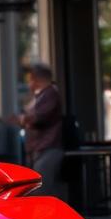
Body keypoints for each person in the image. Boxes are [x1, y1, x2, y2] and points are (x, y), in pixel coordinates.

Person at [16, 63, 66, 199]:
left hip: (47, 148)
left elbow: (39, 117)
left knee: (42, 191)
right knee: (39, 190)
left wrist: (24, 118)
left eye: (30, 80)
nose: (29, 84)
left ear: (36, 79)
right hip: (39, 149)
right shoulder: (40, 96)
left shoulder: (50, 94)